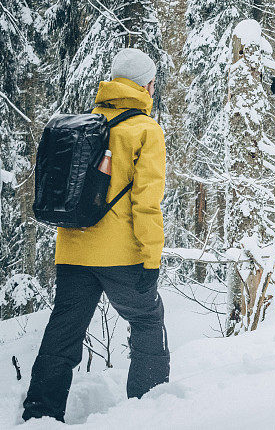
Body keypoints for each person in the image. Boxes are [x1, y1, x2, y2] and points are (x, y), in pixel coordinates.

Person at [22, 48, 169, 422]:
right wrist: (151, 259)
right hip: (122, 255)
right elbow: (146, 205)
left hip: (72, 250)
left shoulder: (84, 123)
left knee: (64, 332)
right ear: (146, 86)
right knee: (147, 320)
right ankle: (149, 410)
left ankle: (40, 412)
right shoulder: (146, 131)